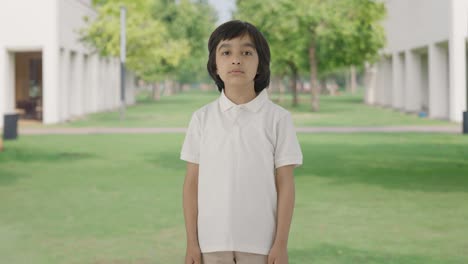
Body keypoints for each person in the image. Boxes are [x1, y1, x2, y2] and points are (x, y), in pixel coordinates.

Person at [181, 20, 303, 264]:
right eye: (226, 52)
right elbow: (191, 184)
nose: (236, 59)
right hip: (210, 244)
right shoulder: (201, 119)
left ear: (260, 65)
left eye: (246, 52)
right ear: (215, 65)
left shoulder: (278, 119)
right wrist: (192, 244)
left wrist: (280, 244)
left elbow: (286, 186)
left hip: (261, 246)